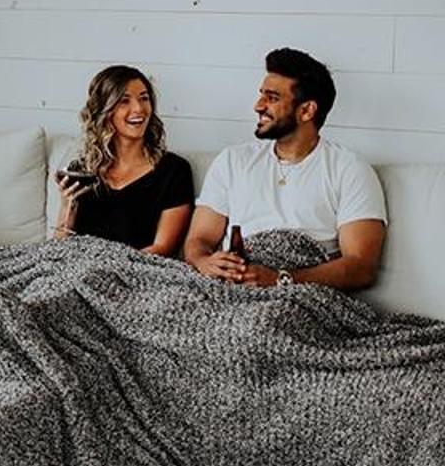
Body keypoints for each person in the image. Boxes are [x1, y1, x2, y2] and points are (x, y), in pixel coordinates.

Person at [184, 48, 387, 289]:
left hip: (300, 294)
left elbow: (361, 267)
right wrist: (204, 261)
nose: (258, 106)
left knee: (264, 325)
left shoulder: (350, 170)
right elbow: (200, 239)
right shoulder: (233, 160)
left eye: (272, 98)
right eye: (261, 95)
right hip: (231, 285)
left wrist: (281, 279)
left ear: (306, 111)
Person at [53, 65, 194, 256]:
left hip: (138, 271)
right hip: (76, 268)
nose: (138, 109)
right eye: (124, 101)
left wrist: (109, 268)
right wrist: (67, 205)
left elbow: (162, 249)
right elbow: (57, 249)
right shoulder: (83, 170)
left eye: (144, 98)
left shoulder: (174, 171)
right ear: (104, 111)